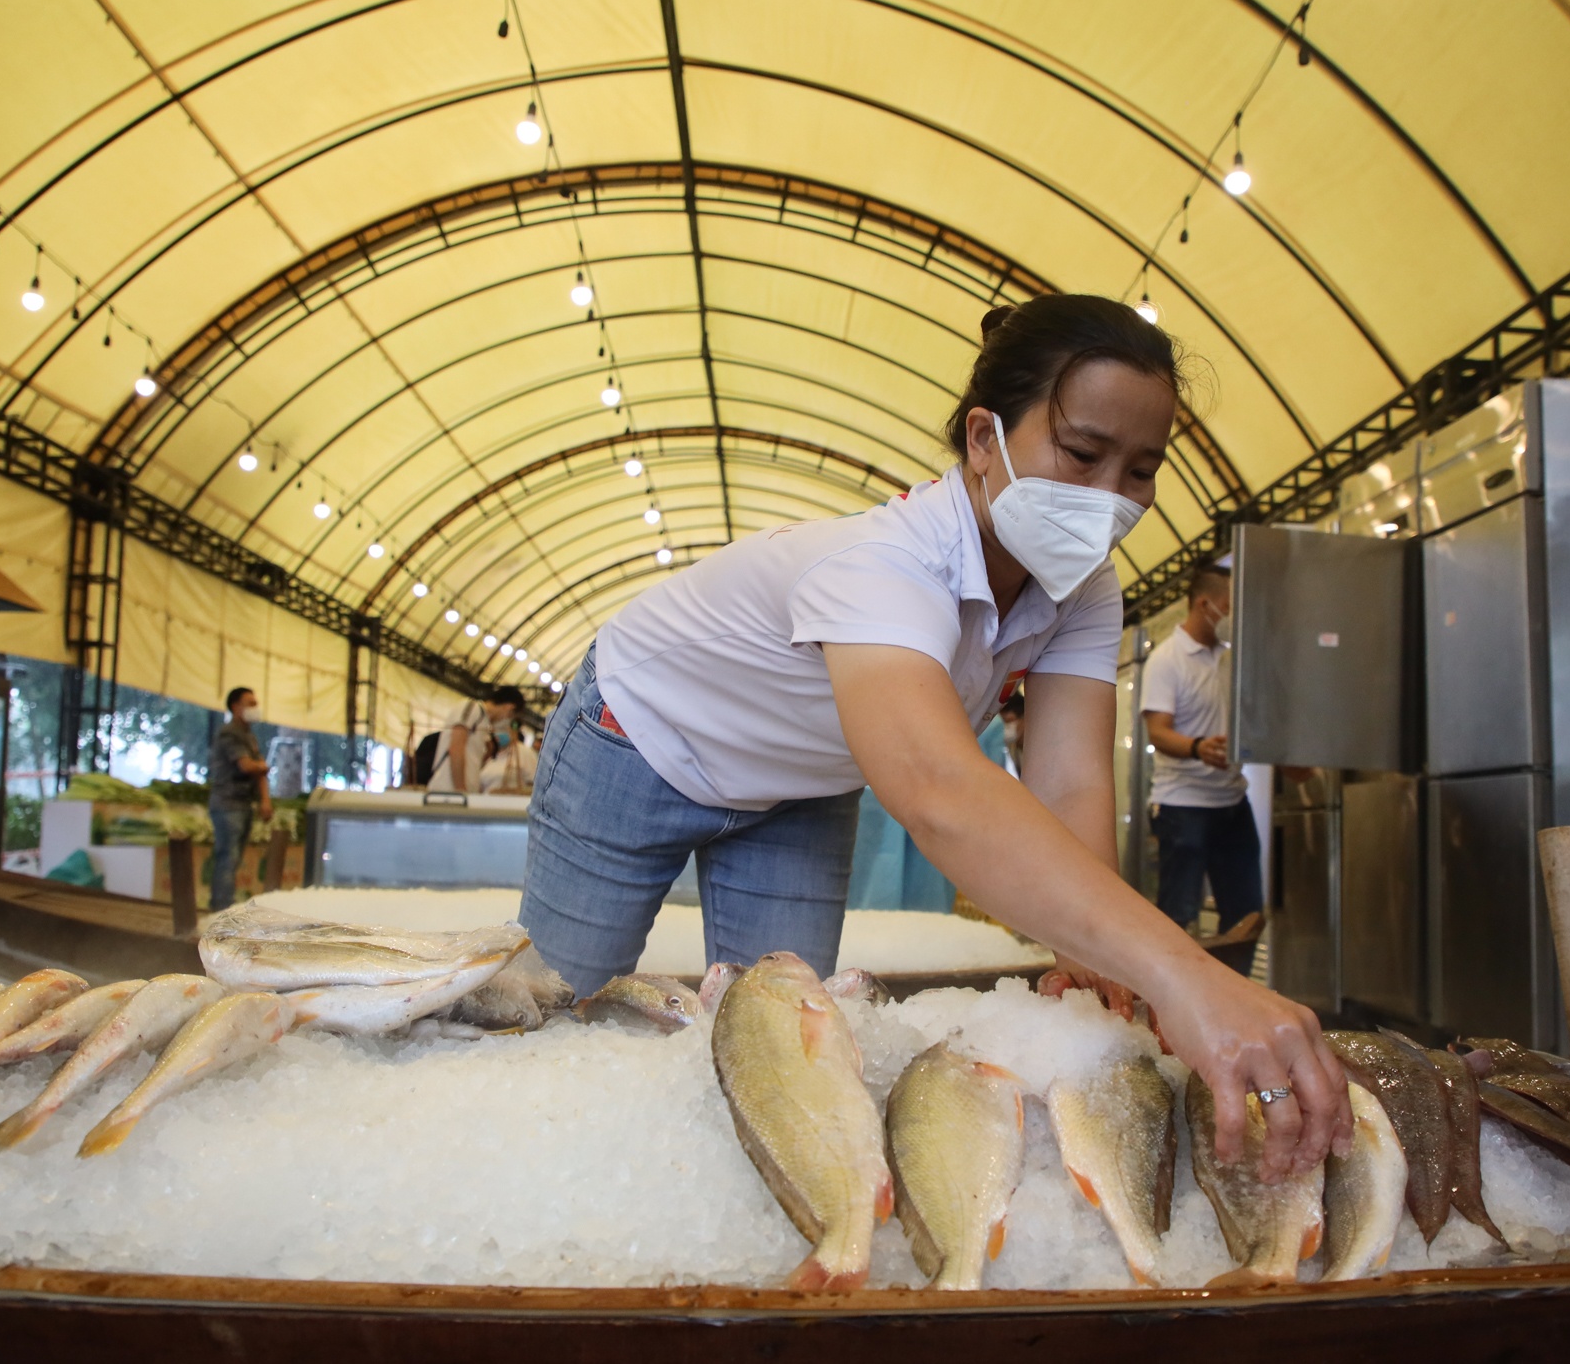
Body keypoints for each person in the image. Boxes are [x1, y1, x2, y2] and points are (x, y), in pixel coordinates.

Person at [518, 294, 1348, 1177]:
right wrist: (1186, 974)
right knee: (560, 1006)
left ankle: (725, 1217)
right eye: (1081, 452)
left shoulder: (1082, 589)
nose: (1109, 499)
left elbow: (1068, 782)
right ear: (985, 440)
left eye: (1141, 469)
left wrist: (1090, 950)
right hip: (638, 738)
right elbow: (939, 790)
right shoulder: (886, 564)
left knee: (788, 1035)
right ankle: (543, 1181)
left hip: (796, 785)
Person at [1141, 566, 1261, 937]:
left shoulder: (1232, 658)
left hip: (1233, 802)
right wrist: (1197, 748)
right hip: (1182, 806)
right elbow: (1158, 732)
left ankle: (1232, 993)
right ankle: (1169, 995)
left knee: (1247, 915)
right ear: (1204, 604)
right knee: (1178, 916)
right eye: (1228, 606)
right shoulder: (1166, 659)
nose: (1232, 616)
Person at [208, 686, 270, 909]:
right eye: (250, 703)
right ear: (235, 706)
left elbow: (259, 770)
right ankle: (221, 907)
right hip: (227, 804)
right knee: (228, 857)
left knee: (233, 858)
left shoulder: (249, 737)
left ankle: (224, 904)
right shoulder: (229, 733)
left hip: (242, 805)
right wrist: (261, 766)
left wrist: (265, 800)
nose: (256, 708)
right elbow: (247, 766)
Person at [417, 686, 525, 793]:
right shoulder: (472, 707)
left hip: (465, 791)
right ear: (509, 707)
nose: (506, 719)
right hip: (448, 789)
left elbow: (477, 759)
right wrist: (460, 788)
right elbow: (456, 748)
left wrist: (490, 749)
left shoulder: (485, 723)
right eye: (510, 715)